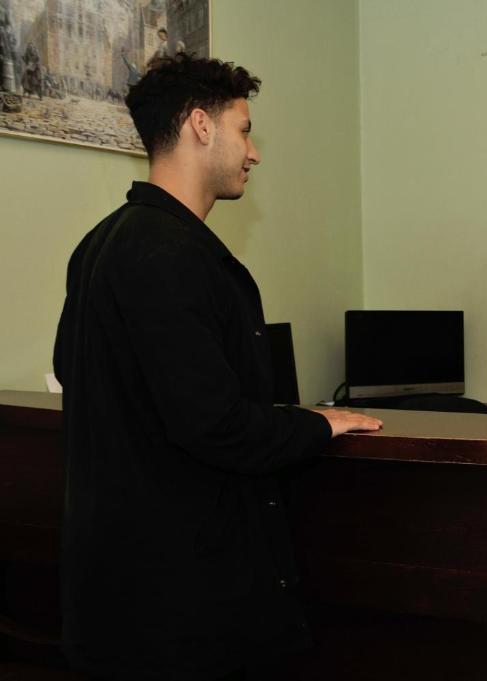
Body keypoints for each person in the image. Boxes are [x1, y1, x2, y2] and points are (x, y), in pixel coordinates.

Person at [53, 53, 382, 681]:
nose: (253, 152)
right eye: (244, 128)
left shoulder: (100, 242)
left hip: (117, 595)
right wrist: (317, 424)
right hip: (178, 605)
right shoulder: (170, 254)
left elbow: (73, 370)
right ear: (201, 126)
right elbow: (216, 425)